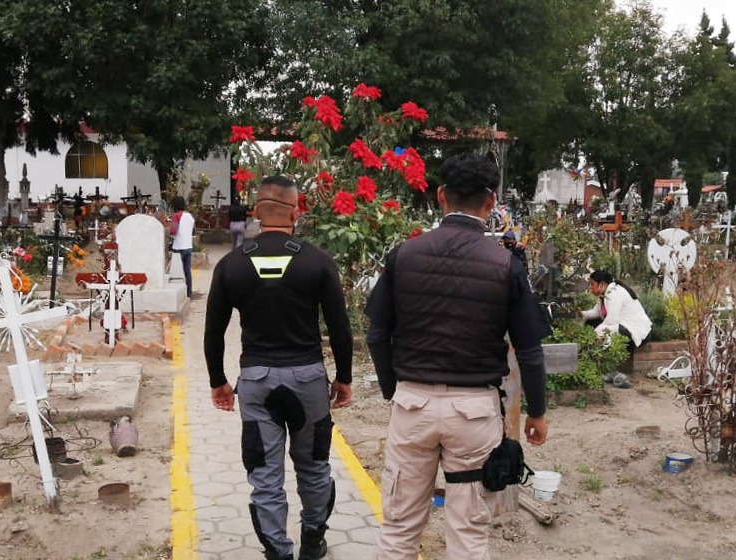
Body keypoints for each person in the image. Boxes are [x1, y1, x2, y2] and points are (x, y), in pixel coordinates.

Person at [365, 153, 551, 560]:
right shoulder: (505, 264)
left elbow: (377, 334)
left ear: (440, 196)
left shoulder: (404, 255)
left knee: (398, 528)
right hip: (474, 413)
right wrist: (536, 411)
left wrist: (393, 390)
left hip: (412, 403)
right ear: (491, 202)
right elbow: (530, 351)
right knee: (468, 532)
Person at [204, 175, 353, 560]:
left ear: (256, 211)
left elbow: (213, 332)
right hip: (308, 379)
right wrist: (345, 378)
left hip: (257, 380)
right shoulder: (317, 261)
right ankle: (313, 541)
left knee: (265, 474)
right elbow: (339, 328)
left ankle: (278, 552)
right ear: (296, 210)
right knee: (314, 465)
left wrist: (218, 381)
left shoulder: (231, 264)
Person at [581, 270, 652, 381]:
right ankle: (598, 362)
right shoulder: (605, 295)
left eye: (592, 284)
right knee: (591, 323)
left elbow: (612, 320)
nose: (590, 287)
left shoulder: (615, 293)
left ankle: (600, 364)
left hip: (637, 331)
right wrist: (579, 314)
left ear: (602, 284)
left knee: (602, 330)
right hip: (622, 327)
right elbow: (595, 313)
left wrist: (594, 334)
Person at [169, 196, 196, 298]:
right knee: (187, 270)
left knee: (177, 272)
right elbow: (193, 231)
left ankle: (180, 293)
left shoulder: (177, 216)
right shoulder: (190, 216)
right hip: (188, 247)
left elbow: (173, 231)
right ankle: (189, 292)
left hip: (178, 247)